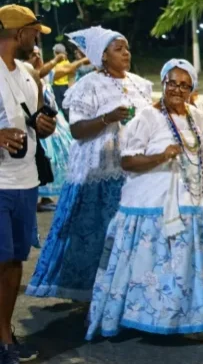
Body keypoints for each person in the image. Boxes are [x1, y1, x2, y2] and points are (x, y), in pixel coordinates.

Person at [85, 59, 203, 343]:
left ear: (191, 90)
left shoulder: (194, 115)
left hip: (198, 203)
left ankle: (193, 322)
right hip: (156, 207)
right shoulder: (147, 117)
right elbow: (127, 161)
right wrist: (161, 156)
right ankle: (151, 318)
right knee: (161, 268)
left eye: (185, 85)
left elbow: (200, 150)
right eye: (172, 83)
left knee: (199, 266)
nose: (177, 89)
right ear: (163, 83)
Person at [26, 26, 153, 303]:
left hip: (134, 172)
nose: (126, 53)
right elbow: (77, 130)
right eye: (119, 49)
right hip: (99, 172)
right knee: (95, 235)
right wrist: (108, 117)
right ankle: (89, 294)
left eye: (127, 48)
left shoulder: (141, 85)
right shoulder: (88, 86)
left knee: (131, 236)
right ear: (103, 56)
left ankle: (126, 294)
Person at [0, 4, 57, 364]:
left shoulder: (26, 74)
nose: (37, 38)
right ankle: (4, 339)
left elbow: (35, 122)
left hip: (26, 181)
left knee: (15, 260)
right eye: (34, 31)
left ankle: (4, 330)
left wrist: (43, 127)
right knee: (1, 258)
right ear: (18, 33)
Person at [27, 47, 74, 210]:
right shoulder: (27, 74)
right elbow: (38, 73)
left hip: (54, 121)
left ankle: (46, 198)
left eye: (39, 54)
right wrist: (56, 60)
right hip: (38, 123)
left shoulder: (44, 74)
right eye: (33, 54)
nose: (37, 57)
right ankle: (40, 196)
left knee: (59, 157)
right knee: (46, 157)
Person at [49, 44, 89, 121]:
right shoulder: (68, 63)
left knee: (63, 108)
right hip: (62, 87)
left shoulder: (63, 64)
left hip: (62, 88)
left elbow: (72, 76)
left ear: (56, 53)